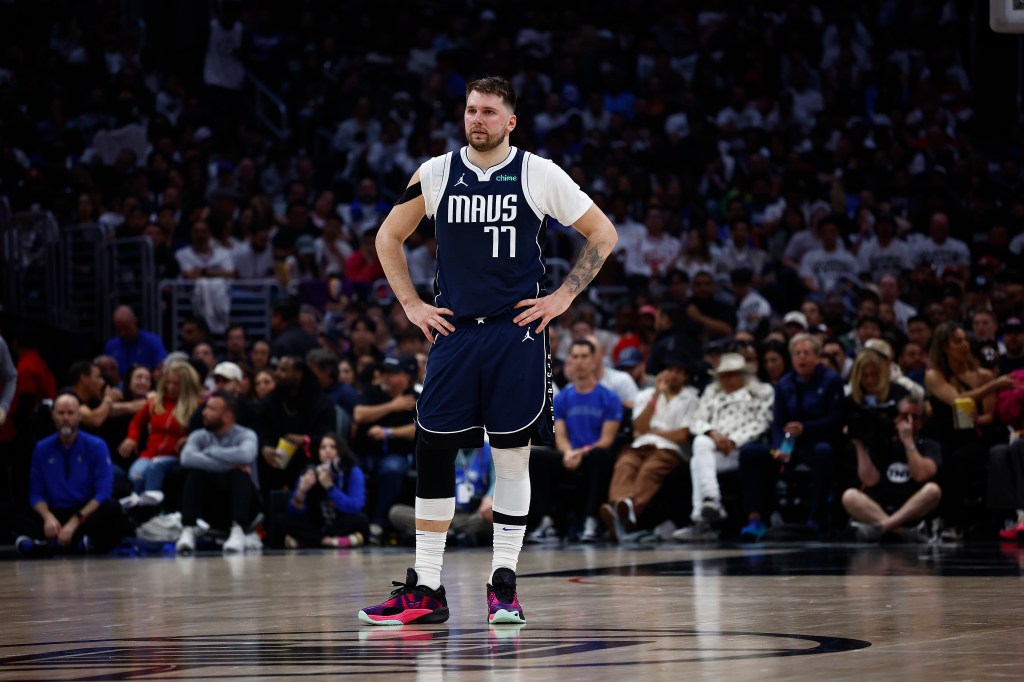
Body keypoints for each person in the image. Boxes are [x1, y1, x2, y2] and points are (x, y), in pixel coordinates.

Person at [359, 76, 617, 626]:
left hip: (515, 332)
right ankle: (427, 587)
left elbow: (603, 234)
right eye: (472, 110)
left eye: (489, 112)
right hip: (453, 332)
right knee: (432, 450)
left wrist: (563, 298)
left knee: (511, 455)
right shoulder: (434, 173)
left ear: (510, 121)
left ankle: (504, 583)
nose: (478, 119)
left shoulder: (538, 173)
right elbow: (387, 237)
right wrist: (410, 305)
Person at [738, 333, 845, 539]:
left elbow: (836, 420)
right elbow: (778, 422)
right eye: (797, 354)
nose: (801, 358)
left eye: (806, 353)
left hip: (818, 444)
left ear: (817, 356)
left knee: (824, 452)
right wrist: (779, 448)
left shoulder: (831, 380)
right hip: (790, 447)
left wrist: (806, 428)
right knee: (749, 453)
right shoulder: (785, 383)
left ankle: (815, 518)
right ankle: (755, 519)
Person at [673, 353, 774, 542]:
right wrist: (713, 433)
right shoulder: (712, 392)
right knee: (700, 444)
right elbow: (696, 420)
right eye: (724, 375)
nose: (727, 380)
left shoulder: (761, 391)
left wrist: (733, 440)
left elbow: (763, 422)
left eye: (733, 375)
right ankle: (712, 500)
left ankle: (701, 520)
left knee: (697, 460)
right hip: (713, 447)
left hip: (741, 450)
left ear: (743, 375)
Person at [17, 393, 133, 556]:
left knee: (112, 508)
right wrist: (47, 517)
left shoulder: (96, 445)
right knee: (13, 510)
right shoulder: (42, 448)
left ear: (79, 415)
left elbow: (104, 491)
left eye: (70, 413)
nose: (65, 418)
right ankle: (77, 544)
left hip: (83, 513)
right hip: (54, 513)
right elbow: (36, 493)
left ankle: (46, 547)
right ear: (53, 415)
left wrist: (74, 522)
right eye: (61, 413)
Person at [528, 338, 621, 543]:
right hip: (569, 455)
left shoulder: (609, 398)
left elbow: (606, 440)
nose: (579, 361)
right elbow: (560, 437)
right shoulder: (561, 399)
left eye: (584, 356)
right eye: (575, 356)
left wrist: (581, 452)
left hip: (593, 456)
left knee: (600, 456)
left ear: (594, 361)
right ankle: (545, 522)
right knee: (536, 457)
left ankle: (591, 521)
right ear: (569, 360)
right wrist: (569, 452)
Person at [602, 354, 699, 542]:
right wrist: (656, 396)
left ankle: (626, 513)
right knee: (624, 464)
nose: (673, 375)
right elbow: (639, 426)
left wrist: (653, 432)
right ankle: (621, 509)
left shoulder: (691, 398)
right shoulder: (646, 395)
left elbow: (682, 435)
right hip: (641, 445)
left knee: (650, 469)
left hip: (670, 450)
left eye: (678, 372)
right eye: (669, 370)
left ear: (685, 376)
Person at [842, 396, 941, 543]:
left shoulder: (929, 445)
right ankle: (902, 532)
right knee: (849, 496)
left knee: (933, 490)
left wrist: (908, 442)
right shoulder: (882, 443)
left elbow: (921, 475)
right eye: (904, 416)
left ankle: (880, 528)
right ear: (895, 418)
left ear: (920, 422)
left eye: (913, 417)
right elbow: (869, 480)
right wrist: (859, 445)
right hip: (880, 509)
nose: (909, 422)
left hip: (912, 511)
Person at [175, 391, 261, 554]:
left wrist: (209, 451)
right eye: (205, 408)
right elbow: (186, 458)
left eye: (211, 409)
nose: (204, 413)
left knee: (239, 475)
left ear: (227, 416)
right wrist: (230, 464)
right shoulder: (199, 435)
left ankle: (238, 530)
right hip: (212, 507)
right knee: (195, 473)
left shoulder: (246, 434)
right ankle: (187, 529)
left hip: (246, 506)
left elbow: (246, 455)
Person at [119, 360, 203, 500]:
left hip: (174, 456)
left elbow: (202, 431)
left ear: (186, 385)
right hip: (150, 453)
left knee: (155, 467)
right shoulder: (155, 402)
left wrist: (188, 439)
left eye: (176, 384)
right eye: (169, 382)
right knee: (136, 473)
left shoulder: (196, 406)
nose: (171, 387)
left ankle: (152, 505)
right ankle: (134, 506)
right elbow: (137, 421)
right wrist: (131, 438)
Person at [279, 433, 369, 549]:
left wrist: (330, 487)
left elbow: (355, 506)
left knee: (361, 520)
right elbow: (294, 511)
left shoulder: (352, 472)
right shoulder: (311, 471)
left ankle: (307, 542)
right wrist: (301, 491)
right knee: (283, 519)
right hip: (315, 523)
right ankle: (330, 542)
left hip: (339, 522)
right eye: (323, 447)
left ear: (341, 450)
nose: (327, 451)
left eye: (333, 447)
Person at [103, 306, 168, 378]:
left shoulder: (153, 342)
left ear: (135, 322)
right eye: (119, 330)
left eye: (126, 329)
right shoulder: (111, 346)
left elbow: (163, 366)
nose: (123, 333)